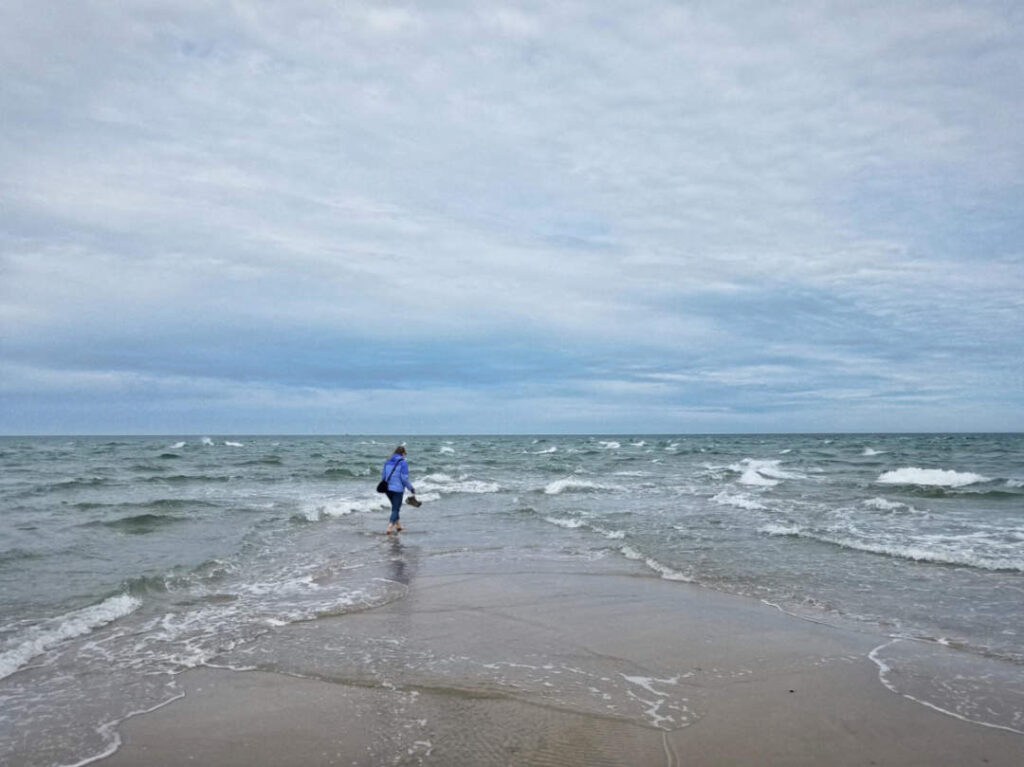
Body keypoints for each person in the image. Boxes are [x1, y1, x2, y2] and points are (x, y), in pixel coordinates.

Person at [381, 445, 415, 535]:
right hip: (397, 489)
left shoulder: (387, 461)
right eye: (404, 454)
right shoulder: (403, 462)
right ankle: (390, 526)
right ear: (403, 453)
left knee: (395, 507)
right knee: (396, 508)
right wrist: (410, 487)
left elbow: (383, 476)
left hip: (387, 489)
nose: (404, 456)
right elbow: (404, 478)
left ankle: (398, 525)